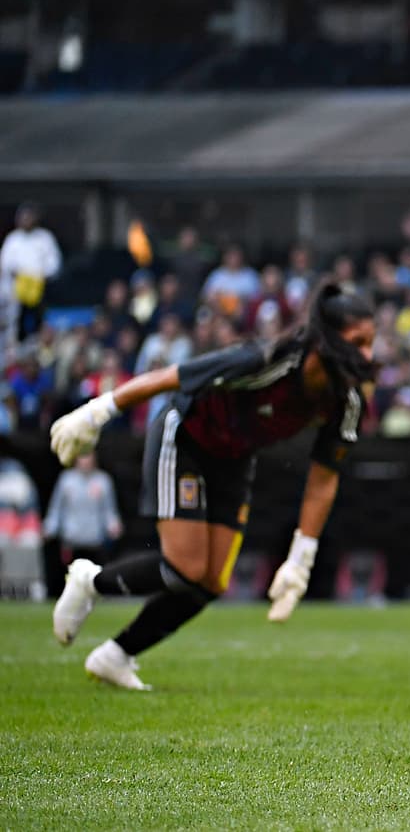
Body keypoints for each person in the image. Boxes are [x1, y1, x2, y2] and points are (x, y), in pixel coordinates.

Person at [48, 279, 375, 690]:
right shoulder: (264, 360)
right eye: (359, 342)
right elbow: (171, 377)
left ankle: (116, 655)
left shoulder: (347, 400)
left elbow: (324, 477)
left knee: (211, 581)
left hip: (234, 459)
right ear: (327, 341)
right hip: (185, 437)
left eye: (371, 343)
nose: (369, 355)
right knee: (186, 567)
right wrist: (97, 413)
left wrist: (300, 559)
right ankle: (89, 581)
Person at [43, 452, 123, 566]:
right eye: (82, 456)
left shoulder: (103, 481)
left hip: (94, 542)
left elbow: (109, 510)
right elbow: (56, 510)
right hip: (72, 541)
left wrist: (113, 524)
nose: (86, 461)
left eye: (88, 456)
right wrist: (49, 528)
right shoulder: (66, 480)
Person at [0, 202, 62, 347]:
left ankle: (40, 344)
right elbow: (5, 264)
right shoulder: (13, 239)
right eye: (23, 218)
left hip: (39, 288)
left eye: (29, 217)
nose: (26, 221)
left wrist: (41, 275)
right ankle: (17, 345)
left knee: (39, 319)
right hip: (17, 291)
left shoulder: (45, 238)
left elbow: (54, 263)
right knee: (15, 321)